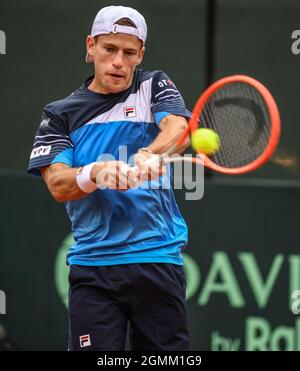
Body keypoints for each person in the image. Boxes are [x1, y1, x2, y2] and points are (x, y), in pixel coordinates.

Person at [28, 5, 191, 351]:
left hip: (157, 261)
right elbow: (58, 184)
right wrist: (96, 173)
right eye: (109, 49)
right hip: (93, 269)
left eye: (129, 52)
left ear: (140, 55)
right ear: (91, 47)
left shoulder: (153, 85)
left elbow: (178, 129)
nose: (119, 61)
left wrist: (152, 153)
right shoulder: (59, 114)